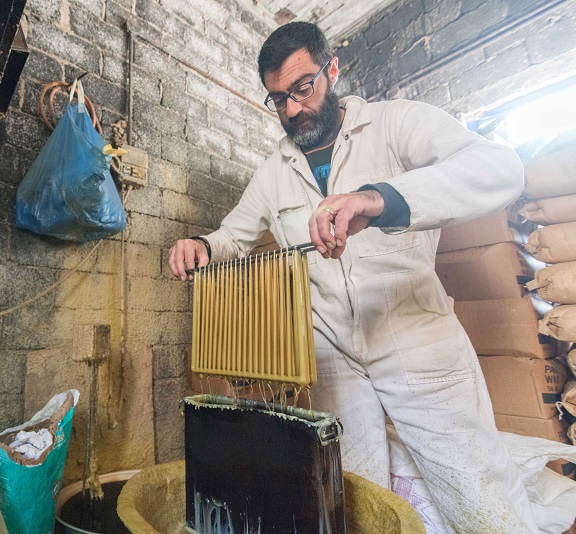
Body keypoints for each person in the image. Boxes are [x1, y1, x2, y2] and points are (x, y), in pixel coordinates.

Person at [168, 21, 538, 533]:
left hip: (413, 332)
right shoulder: (273, 171)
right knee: (350, 492)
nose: (292, 109)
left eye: (303, 88)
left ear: (332, 70)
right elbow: (235, 233)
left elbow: (499, 167)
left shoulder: (393, 124)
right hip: (332, 353)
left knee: (476, 487)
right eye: (278, 100)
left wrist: (377, 198)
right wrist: (203, 245)